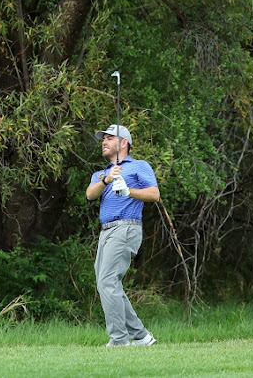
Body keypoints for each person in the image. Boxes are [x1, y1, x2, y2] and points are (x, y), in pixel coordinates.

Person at [86, 124, 160, 347]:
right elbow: (90, 194)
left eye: (109, 138)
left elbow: (154, 194)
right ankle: (141, 336)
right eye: (103, 138)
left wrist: (128, 190)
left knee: (108, 282)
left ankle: (119, 339)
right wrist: (107, 179)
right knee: (107, 284)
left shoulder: (139, 166)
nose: (104, 142)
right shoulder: (101, 173)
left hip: (126, 228)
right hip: (107, 231)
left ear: (123, 142)